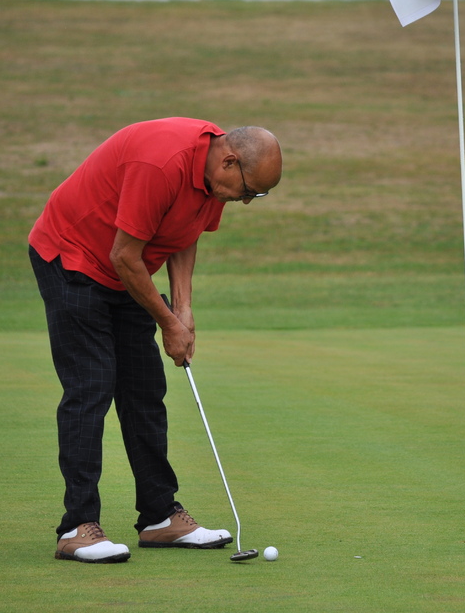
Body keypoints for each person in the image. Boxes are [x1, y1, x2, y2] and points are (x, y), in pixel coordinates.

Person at [28, 118, 282, 564]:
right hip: (73, 257)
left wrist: (183, 308)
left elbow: (185, 234)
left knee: (144, 388)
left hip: (126, 269)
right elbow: (124, 255)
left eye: (254, 196)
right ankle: (76, 526)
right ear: (229, 161)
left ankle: (159, 517)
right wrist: (168, 324)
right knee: (92, 385)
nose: (244, 201)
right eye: (248, 191)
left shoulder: (213, 177)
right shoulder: (162, 164)